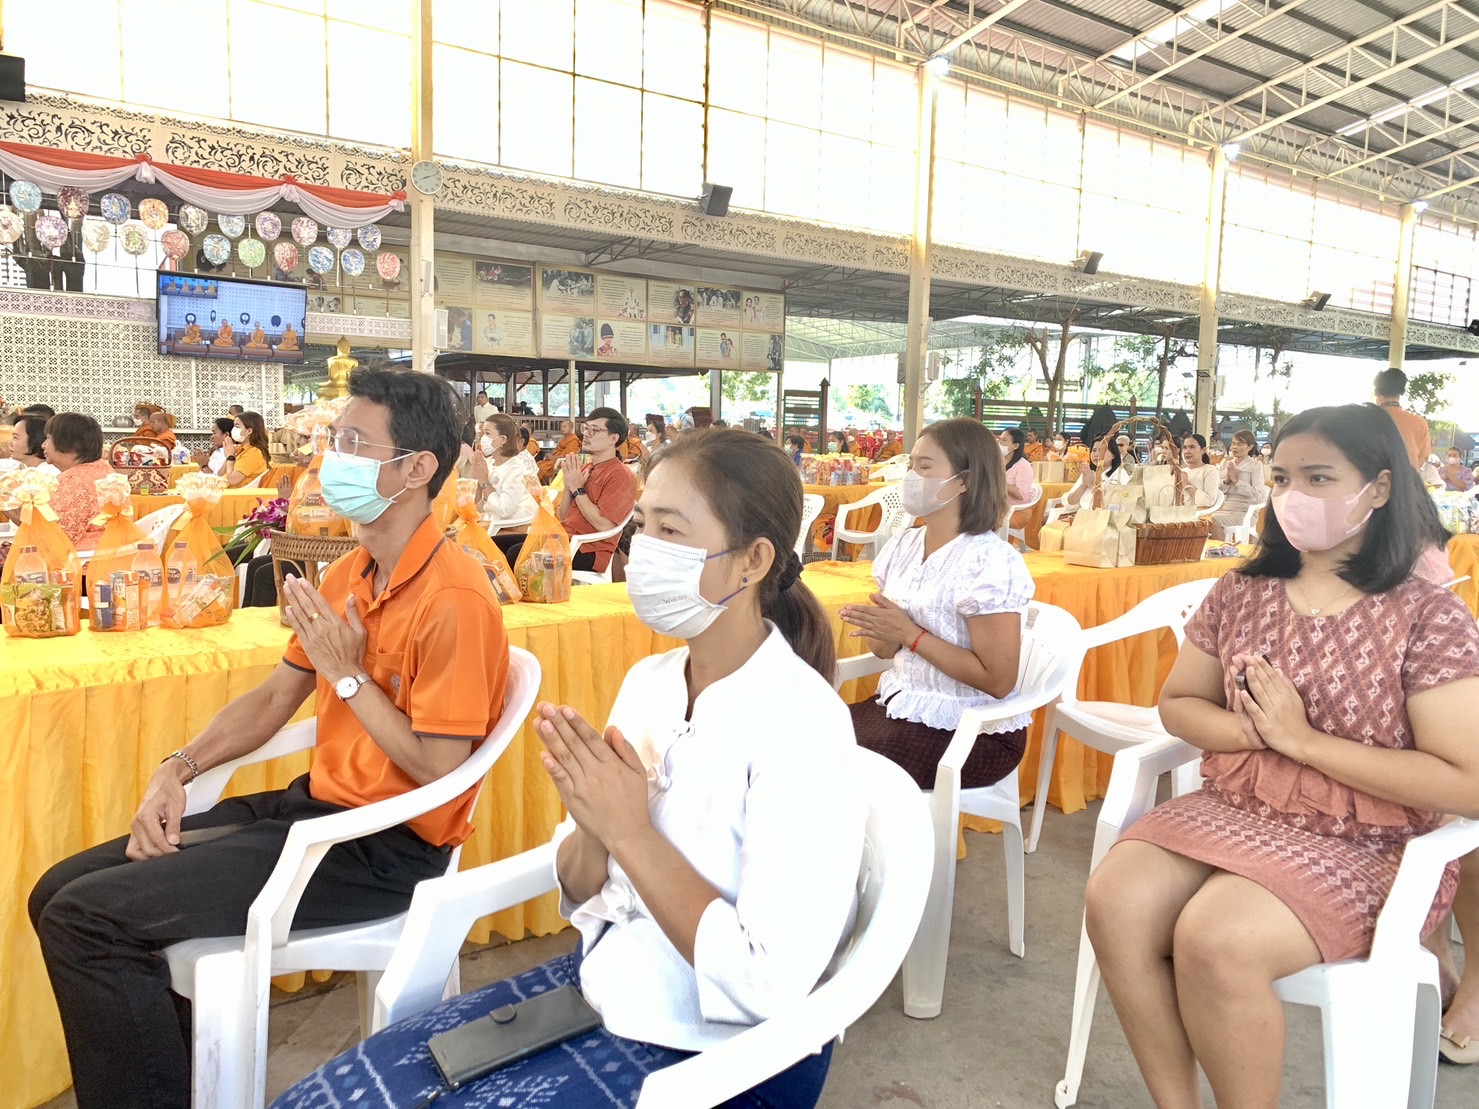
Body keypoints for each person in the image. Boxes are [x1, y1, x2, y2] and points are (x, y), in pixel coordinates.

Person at [277, 428, 862, 1109]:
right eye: (641, 525)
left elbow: (768, 983)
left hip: (723, 1056)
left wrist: (630, 831)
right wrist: (592, 825)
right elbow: (581, 882)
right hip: (607, 987)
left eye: (671, 529)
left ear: (752, 560)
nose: (645, 552)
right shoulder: (652, 681)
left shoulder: (803, 725)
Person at [29, 365, 510, 1109]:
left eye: (354, 442)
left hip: (383, 847)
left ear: (416, 468)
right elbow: (274, 697)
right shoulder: (353, 568)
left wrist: (349, 678)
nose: (332, 458)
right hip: (311, 810)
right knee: (55, 890)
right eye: (333, 439)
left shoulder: (454, 597)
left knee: (86, 920)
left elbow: (438, 766)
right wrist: (178, 768)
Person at [1083, 403, 1479, 1108]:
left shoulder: (1429, 615)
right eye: (1281, 476)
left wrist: (1304, 742)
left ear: (1379, 490)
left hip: (1365, 839)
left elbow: (1466, 781)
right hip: (1234, 804)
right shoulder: (1240, 591)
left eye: (1319, 477)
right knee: (1113, 898)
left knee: (1216, 938)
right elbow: (1180, 703)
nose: (1292, 495)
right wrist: (1252, 733)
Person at [839, 417, 1029, 792]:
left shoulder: (989, 560)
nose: (911, 476)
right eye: (911, 465)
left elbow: (998, 679)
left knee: (841, 766)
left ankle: (882, 850)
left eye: (924, 467)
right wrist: (885, 630)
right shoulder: (903, 546)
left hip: (974, 731)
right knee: (804, 738)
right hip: (901, 705)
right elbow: (883, 650)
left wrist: (910, 634)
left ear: (965, 480)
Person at [497, 408, 637, 574]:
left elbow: (604, 525)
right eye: (586, 428)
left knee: (516, 553)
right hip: (562, 539)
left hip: (588, 550)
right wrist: (569, 486)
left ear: (613, 438)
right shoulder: (586, 468)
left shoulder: (620, 474)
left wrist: (578, 489)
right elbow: (563, 516)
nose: (587, 434)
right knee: (494, 545)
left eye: (595, 430)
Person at [40, 414, 114, 551]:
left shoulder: (73, 480)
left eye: (48, 438)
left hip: (82, 563)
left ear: (69, 445)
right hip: (109, 555)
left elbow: (53, 537)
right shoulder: (105, 469)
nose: (43, 445)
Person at [482, 412, 539, 526]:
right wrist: (478, 478)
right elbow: (478, 505)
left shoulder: (515, 468)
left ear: (502, 439)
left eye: (487, 433)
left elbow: (504, 510)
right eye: (482, 433)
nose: (483, 438)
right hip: (492, 521)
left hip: (512, 528)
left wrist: (484, 482)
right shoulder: (489, 463)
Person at [1210, 429, 1267, 540]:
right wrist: (1226, 481)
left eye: (1240, 444)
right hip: (1225, 508)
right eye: (1233, 443)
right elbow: (1216, 489)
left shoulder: (1256, 465)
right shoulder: (1226, 464)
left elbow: (1257, 493)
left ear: (1250, 447)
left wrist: (1236, 481)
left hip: (1245, 512)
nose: (1234, 447)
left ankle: (1219, 552)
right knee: (1203, 520)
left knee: (1213, 521)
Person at [1374, 367, 1432, 470]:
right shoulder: (1419, 423)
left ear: (1377, 392)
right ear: (1403, 391)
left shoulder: (1366, 419)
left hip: (1375, 482)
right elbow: (1421, 458)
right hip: (1407, 482)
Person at [1061, 434, 1130, 513]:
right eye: (1094, 450)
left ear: (1113, 455)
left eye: (1102, 450)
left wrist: (1093, 485)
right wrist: (1083, 484)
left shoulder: (1120, 475)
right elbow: (1070, 503)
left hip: (1106, 521)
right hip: (1082, 518)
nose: (1096, 454)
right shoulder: (1089, 473)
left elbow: (1120, 504)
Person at [999, 427, 1034, 532]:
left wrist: (997, 481)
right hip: (997, 508)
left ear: (1015, 446)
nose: (1000, 443)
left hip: (1017, 511)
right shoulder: (997, 462)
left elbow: (1021, 495)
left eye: (1004, 440)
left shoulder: (1023, 466)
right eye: (1000, 439)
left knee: (978, 520)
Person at [223, 411, 270, 488]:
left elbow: (233, 480)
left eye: (237, 426)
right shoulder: (239, 448)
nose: (233, 429)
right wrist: (228, 455)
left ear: (249, 431)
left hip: (235, 497)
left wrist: (230, 457)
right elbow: (220, 473)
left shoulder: (254, 453)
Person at [1177, 433, 1220, 507]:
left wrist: (1187, 485)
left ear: (1203, 450)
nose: (1187, 451)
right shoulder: (1182, 471)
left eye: (1192, 447)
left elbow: (1209, 501)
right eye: (1184, 448)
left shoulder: (1210, 470)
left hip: (1199, 515)